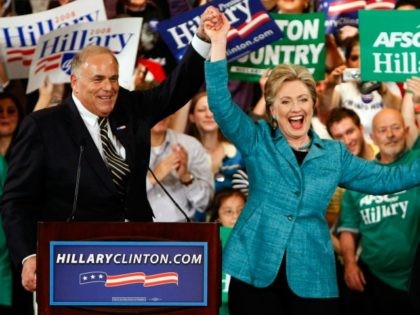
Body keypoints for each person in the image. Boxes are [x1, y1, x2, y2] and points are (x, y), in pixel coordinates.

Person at [202, 10, 420, 314]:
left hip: (312, 274)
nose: (296, 108)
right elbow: (220, 104)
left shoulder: (334, 154)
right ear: (274, 110)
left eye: (303, 99)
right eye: (286, 101)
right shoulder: (258, 138)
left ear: (313, 104)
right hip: (254, 266)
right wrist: (218, 43)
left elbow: (386, 179)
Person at [0, 6, 224, 294]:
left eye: (114, 78)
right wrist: (28, 256)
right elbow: (16, 200)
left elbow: (175, 91)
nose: (109, 88)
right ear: (75, 83)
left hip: (137, 254)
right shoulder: (44, 126)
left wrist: (203, 39)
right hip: (71, 260)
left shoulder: (130, 109)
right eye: (98, 79)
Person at [337, 108, 420, 315]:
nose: (390, 135)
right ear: (372, 136)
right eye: (383, 130)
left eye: (395, 128)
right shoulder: (360, 177)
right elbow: (348, 228)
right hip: (378, 281)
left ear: (407, 130)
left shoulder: (417, 162)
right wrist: (349, 263)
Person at [320, 34, 402, 143]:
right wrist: (330, 87)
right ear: (347, 63)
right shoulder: (342, 87)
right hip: (351, 149)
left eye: (366, 57)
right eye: (354, 58)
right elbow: (325, 116)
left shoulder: (388, 84)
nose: (360, 64)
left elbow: (401, 116)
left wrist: (382, 89)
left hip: (383, 149)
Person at [148, 116, 213, 222]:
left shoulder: (191, 145)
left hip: (183, 229)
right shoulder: (124, 146)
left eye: (165, 107)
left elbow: (204, 204)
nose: (160, 114)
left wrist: (185, 176)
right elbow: (117, 199)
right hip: (138, 229)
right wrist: (152, 179)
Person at [187, 91, 246, 193]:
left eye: (213, 110)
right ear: (191, 117)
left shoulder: (238, 153)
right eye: (201, 110)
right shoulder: (186, 154)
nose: (209, 114)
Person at [207, 188, 246, 315]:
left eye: (241, 210)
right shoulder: (209, 243)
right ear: (217, 218)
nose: (236, 216)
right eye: (228, 212)